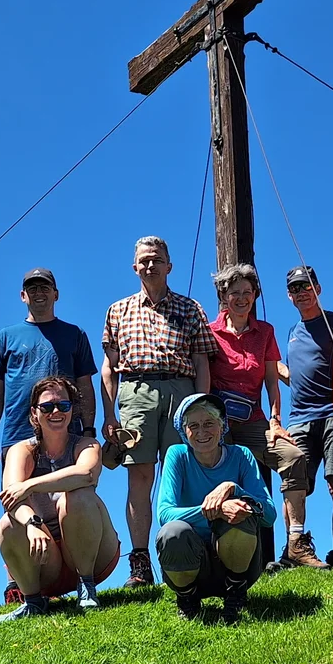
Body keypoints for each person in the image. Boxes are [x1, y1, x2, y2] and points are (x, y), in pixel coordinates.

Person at [101, 236, 218, 587]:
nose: (150, 265)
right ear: (134, 267)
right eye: (143, 260)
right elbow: (109, 367)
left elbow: (201, 363)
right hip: (135, 390)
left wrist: (202, 407)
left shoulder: (190, 308)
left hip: (180, 391)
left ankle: (183, 554)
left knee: (181, 473)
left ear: (169, 266)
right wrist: (109, 416)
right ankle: (139, 563)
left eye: (156, 259)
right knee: (139, 477)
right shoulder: (117, 310)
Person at [0, 267, 99, 605]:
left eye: (45, 287)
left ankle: (81, 579)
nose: (39, 293)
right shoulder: (7, 336)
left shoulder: (74, 334)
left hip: (66, 432)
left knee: (71, 500)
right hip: (17, 434)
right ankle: (20, 586)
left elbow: (85, 386)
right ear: (23, 296)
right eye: (32, 289)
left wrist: (88, 428)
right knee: (17, 506)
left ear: (56, 293)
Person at [0, 378, 122, 623]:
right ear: (34, 413)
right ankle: (33, 601)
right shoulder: (21, 451)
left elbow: (86, 474)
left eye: (63, 406)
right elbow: (10, 497)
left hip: (94, 557)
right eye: (47, 407)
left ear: (72, 410)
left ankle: (87, 587)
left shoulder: (87, 444)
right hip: (45, 560)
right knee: (7, 525)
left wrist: (29, 485)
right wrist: (32, 524)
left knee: (78, 495)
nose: (56, 412)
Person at [154, 392, 279, 622]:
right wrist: (216, 510)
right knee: (173, 532)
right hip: (191, 563)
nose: (202, 432)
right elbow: (164, 513)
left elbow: (269, 515)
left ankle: (235, 593)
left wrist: (234, 489)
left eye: (209, 423)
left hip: (238, 566)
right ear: (184, 431)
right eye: (194, 425)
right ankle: (187, 598)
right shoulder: (177, 455)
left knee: (243, 512)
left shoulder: (242, 455)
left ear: (222, 426)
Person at [268, 265, 333, 568]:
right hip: (300, 418)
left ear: (318, 288)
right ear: (288, 296)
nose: (301, 292)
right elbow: (296, 376)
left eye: (306, 286)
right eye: (295, 289)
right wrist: (272, 367)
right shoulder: (292, 332)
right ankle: (293, 549)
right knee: (295, 486)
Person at [207, 263, 282, 474]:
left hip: (252, 418)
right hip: (218, 419)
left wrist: (275, 420)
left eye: (247, 292)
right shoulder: (209, 332)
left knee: (293, 458)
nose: (242, 298)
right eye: (235, 293)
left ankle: (284, 508)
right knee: (224, 469)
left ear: (255, 295)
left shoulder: (265, 332)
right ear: (224, 297)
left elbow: (272, 380)